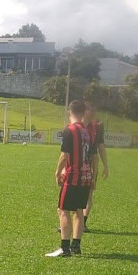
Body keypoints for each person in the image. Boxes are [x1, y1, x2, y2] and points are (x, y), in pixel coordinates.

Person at [46, 100, 93, 257]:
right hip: (86, 176)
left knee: (63, 210)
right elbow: (92, 156)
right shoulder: (87, 132)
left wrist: (57, 172)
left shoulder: (70, 130)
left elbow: (65, 155)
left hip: (73, 176)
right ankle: (76, 246)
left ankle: (64, 248)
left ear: (69, 112)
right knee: (78, 211)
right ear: (83, 113)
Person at [82, 102, 109, 232]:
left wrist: (105, 165)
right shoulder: (77, 125)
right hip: (76, 165)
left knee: (88, 195)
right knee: (75, 195)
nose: (93, 112)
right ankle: (75, 221)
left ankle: (83, 222)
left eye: (94, 110)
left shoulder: (97, 127)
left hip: (91, 164)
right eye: (90, 110)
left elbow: (101, 146)